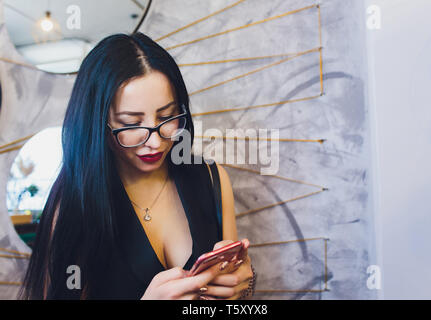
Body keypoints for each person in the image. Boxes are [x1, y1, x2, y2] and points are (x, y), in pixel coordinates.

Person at [19, 32, 255, 300]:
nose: (154, 142)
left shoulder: (211, 178)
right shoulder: (74, 202)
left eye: (167, 116)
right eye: (131, 123)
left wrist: (241, 285)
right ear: (97, 124)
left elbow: (235, 298)